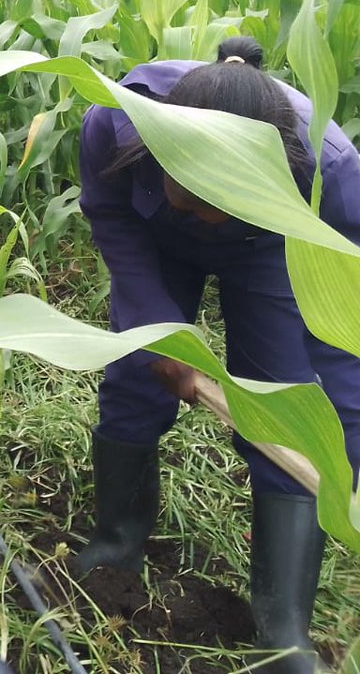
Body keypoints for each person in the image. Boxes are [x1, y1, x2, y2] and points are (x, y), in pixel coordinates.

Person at [77, 36, 360, 672]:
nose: (206, 217)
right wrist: (157, 326)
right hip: (157, 244)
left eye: (220, 202)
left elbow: (343, 337)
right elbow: (111, 217)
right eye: (190, 196)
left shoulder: (330, 171)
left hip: (272, 249)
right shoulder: (117, 123)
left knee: (288, 402)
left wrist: (341, 451)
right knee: (136, 377)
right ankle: (116, 547)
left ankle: (282, 627)